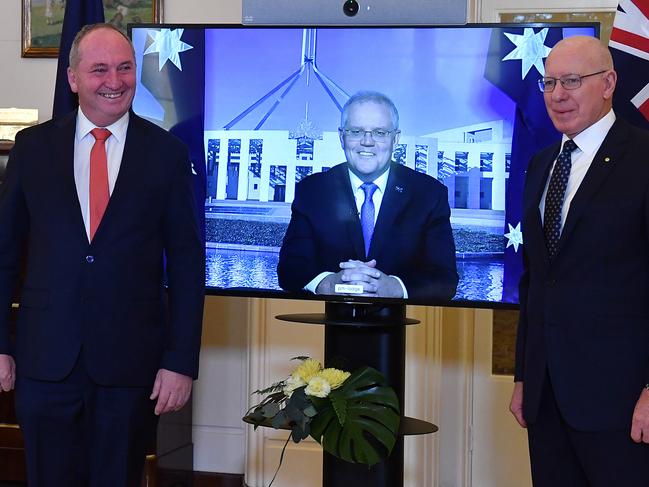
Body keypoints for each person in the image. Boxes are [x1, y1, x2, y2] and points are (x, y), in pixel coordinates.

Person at [0, 23, 204, 487]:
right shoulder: (33, 149)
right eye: (99, 70)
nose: (115, 80)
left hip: (130, 368)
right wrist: (0, 345)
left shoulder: (168, 155)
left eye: (125, 67)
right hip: (45, 363)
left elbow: (189, 266)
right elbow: (5, 254)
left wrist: (180, 361)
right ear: (72, 79)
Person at [510, 35, 649, 486]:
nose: (558, 95)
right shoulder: (541, 165)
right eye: (549, 83)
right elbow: (535, 282)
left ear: (609, 82)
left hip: (622, 405)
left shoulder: (643, 159)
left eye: (572, 81)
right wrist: (523, 377)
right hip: (546, 401)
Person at [277, 91, 458, 300]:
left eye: (380, 133)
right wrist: (329, 283)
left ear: (395, 139)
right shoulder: (312, 191)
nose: (367, 141)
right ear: (341, 137)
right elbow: (290, 269)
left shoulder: (429, 194)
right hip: (327, 325)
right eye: (356, 131)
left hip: (403, 326)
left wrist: (395, 287)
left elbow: (445, 279)